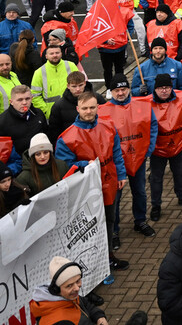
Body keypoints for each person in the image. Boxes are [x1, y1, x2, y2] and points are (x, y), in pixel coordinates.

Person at [55, 91, 130, 273]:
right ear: (77, 108)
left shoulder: (108, 126)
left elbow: (117, 153)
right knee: (89, 227)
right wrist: (83, 164)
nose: (89, 111)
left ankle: (108, 256)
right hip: (85, 190)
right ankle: (91, 263)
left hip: (109, 181)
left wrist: (121, 175)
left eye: (92, 107)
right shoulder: (67, 137)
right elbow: (63, 166)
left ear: (98, 107)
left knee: (109, 220)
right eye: (85, 108)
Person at [99, 74, 158, 243]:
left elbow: (152, 125)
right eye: (117, 90)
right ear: (111, 92)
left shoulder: (143, 105)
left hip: (138, 158)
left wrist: (149, 148)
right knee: (115, 198)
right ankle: (114, 230)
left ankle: (140, 221)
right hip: (116, 163)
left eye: (123, 89)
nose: (120, 93)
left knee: (139, 192)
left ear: (129, 89)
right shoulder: (103, 111)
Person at [30, 256, 147, 325]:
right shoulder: (60, 322)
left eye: (78, 281)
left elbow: (85, 303)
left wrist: (98, 316)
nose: (76, 288)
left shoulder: (65, 296)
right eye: (69, 285)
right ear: (56, 288)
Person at [144, 74, 182, 222]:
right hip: (157, 150)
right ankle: (156, 205)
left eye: (167, 87)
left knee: (179, 173)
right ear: (155, 89)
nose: (164, 91)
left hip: (178, 145)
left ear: (171, 87)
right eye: (160, 88)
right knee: (156, 178)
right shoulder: (146, 103)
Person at [30, 45, 80, 116]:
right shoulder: (39, 72)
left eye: (57, 53)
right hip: (52, 113)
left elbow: (81, 87)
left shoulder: (71, 66)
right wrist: (46, 111)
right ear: (46, 56)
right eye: (51, 53)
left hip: (73, 109)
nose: (55, 55)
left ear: (61, 54)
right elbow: (35, 95)